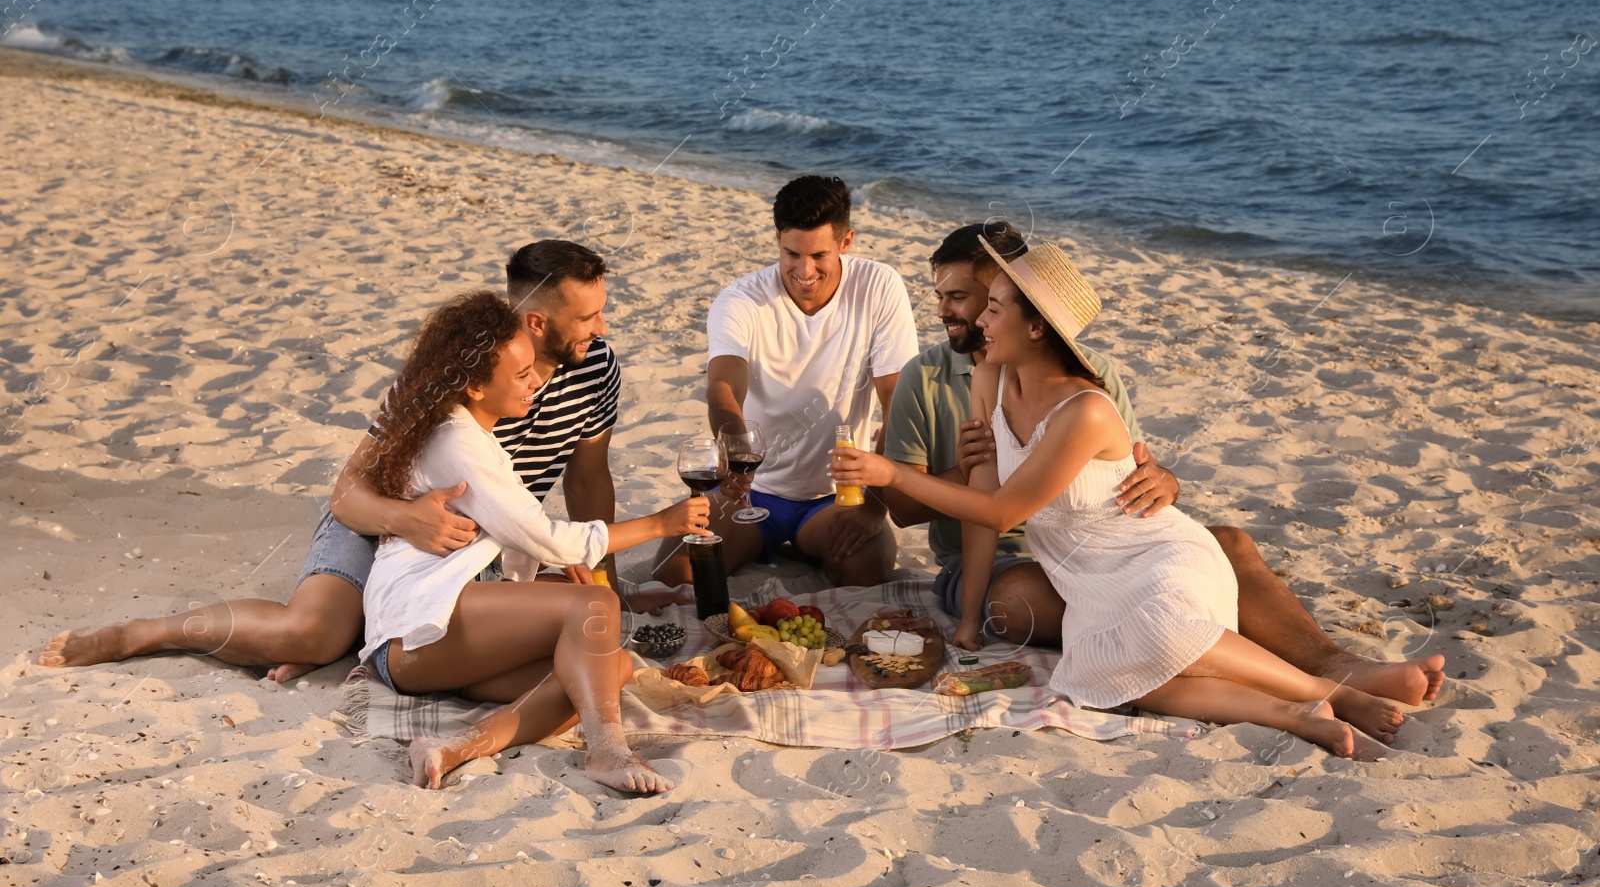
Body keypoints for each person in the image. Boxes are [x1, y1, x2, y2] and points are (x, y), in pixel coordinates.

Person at [834, 238, 1417, 758]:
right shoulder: (986, 378)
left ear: (1037, 327)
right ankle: (1293, 714)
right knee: (1113, 679)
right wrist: (966, 623)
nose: (975, 317)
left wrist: (890, 472)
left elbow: (1016, 505)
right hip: (1082, 572)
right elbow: (985, 497)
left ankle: (1332, 687)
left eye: (991, 305)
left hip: (1143, 553)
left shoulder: (1085, 404)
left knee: (1160, 631)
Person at [38, 240, 681, 680]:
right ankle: (146, 633)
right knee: (312, 635)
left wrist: (610, 581)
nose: (601, 328)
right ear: (537, 322)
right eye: (589, 315)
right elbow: (348, 489)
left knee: (552, 623)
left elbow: (588, 476)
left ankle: (357, 639)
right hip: (379, 523)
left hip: (475, 545)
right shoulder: (451, 370)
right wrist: (404, 521)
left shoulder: (596, 367)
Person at [350, 290, 708, 791]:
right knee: (592, 603)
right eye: (521, 376)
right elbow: (542, 535)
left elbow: (512, 538)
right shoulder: (458, 441)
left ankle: (451, 749)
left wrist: (547, 572)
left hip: (445, 638)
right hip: (413, 632)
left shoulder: (472, 432)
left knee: (606, 669)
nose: (537, 380)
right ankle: (608, 749)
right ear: (475, 385)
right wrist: (662, 523)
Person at [651, 175, 919, 588]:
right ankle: (755, 542)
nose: (804, 270)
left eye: (819, 256)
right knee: (675, 570)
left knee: (866, 570)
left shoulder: (879, 286)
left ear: (846, 242)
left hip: (834, 498)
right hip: (751, 492)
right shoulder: (740, 300)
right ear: (777, 238)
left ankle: (812, 549)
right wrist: (736, 456)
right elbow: (723, 389)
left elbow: (898, 400)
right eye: (791, 253)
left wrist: (873, 507)